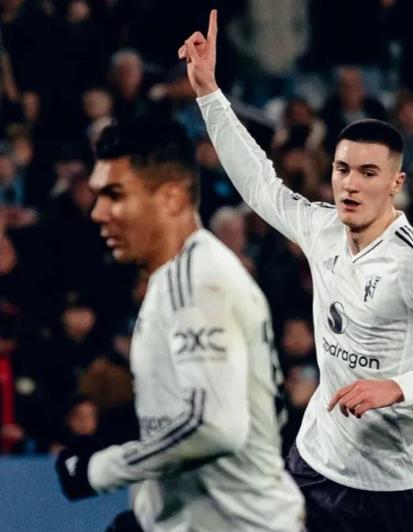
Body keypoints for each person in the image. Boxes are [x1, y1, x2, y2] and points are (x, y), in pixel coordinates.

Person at [180, 11, 413, 532]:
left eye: (368, 172)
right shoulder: (322, 228)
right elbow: (260, 185)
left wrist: (400, 387)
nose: (351, 184)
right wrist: (209, 94)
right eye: (342, 169)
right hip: (316, 463)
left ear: (396, 183)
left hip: (397, 487)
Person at [53, 116, 304, 531]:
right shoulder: (174, 278)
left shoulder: (198, 280)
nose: (99, 212)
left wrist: (99, 469)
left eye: (115, 194)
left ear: (170, 198)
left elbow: (214, 428)